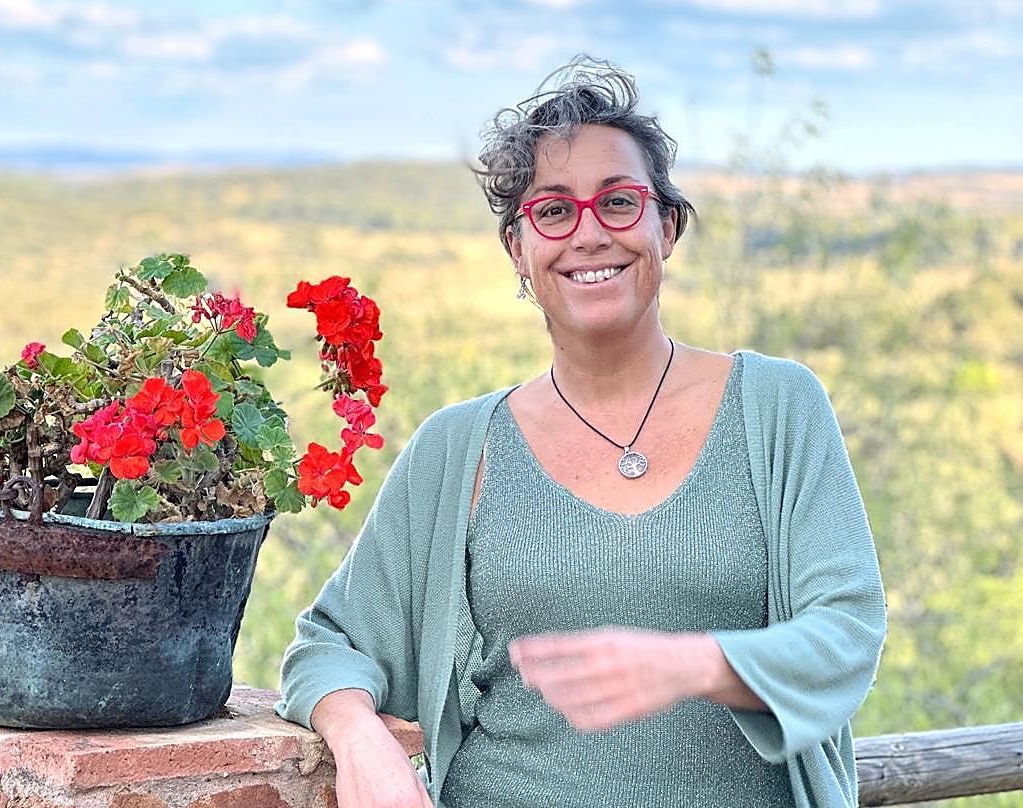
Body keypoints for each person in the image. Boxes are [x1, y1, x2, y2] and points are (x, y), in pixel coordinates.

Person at [276, 57, 887, 808]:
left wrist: (694, 665)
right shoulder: (456, 448)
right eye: (554, 211)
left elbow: (846, 631)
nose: (589, 234)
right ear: (518, 250)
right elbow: (329, 645)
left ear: (667, 227)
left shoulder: (776, 408)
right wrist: (357, 735)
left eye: (619, 202)